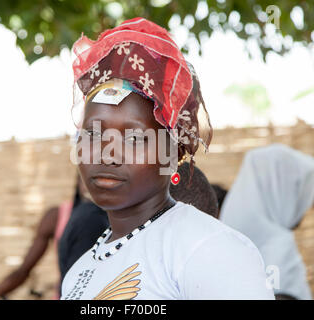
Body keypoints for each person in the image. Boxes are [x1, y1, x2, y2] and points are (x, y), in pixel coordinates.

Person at [61, 17, 274, 300]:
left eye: (134, 138)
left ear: (172, 154)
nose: (106, 153)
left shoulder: (207, 250)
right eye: (93, 134)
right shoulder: (80, 270)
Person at [219, 144, 314, 300]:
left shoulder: (222, 237)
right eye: (301, 194)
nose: (305, 207)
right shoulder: (280, 247)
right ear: (282, 193)